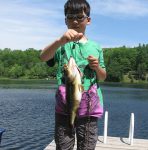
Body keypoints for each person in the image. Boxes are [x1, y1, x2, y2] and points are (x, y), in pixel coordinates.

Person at [40, 0, 106, 149]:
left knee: (87, 146)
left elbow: (102, 76)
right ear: (65, 20)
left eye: (80, 17)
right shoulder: (61, 45)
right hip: (64, 108)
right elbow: (43, 57)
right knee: (63, 146)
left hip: (90, 109)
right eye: (70, 17)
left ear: (88, 20)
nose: (75, 21)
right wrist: (59, 41)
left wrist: (96, 68)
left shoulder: (96, 47)